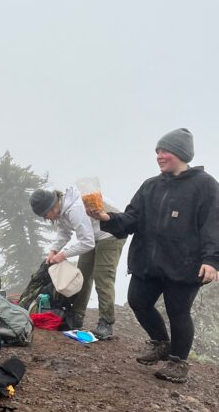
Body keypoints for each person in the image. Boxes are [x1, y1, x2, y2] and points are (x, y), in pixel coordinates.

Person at [88, 129, 219, 382]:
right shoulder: (151, 185)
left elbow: (214, 225)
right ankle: (160, 342)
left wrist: (212, 260)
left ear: (181, 153)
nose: (159, 156)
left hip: (185, 264)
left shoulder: (205, 186)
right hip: (148, 262)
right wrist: (106, 218)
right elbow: (132, 218)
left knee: (178, 312)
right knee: (138, 301)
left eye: (164, 151)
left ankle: (178, 363)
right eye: (157, 151)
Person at [29, 186, 126, 339]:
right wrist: (53, 250)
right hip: (92, 235)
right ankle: (77, 316)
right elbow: (64, 232)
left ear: (52, 206)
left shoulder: (74, 209)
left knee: (102, 277)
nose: (47, 218)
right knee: (82, 275)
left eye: (45, 214)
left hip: (111, 233)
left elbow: (86, 242)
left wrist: (63, 255)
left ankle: (106, 323)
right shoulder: (60, 209)